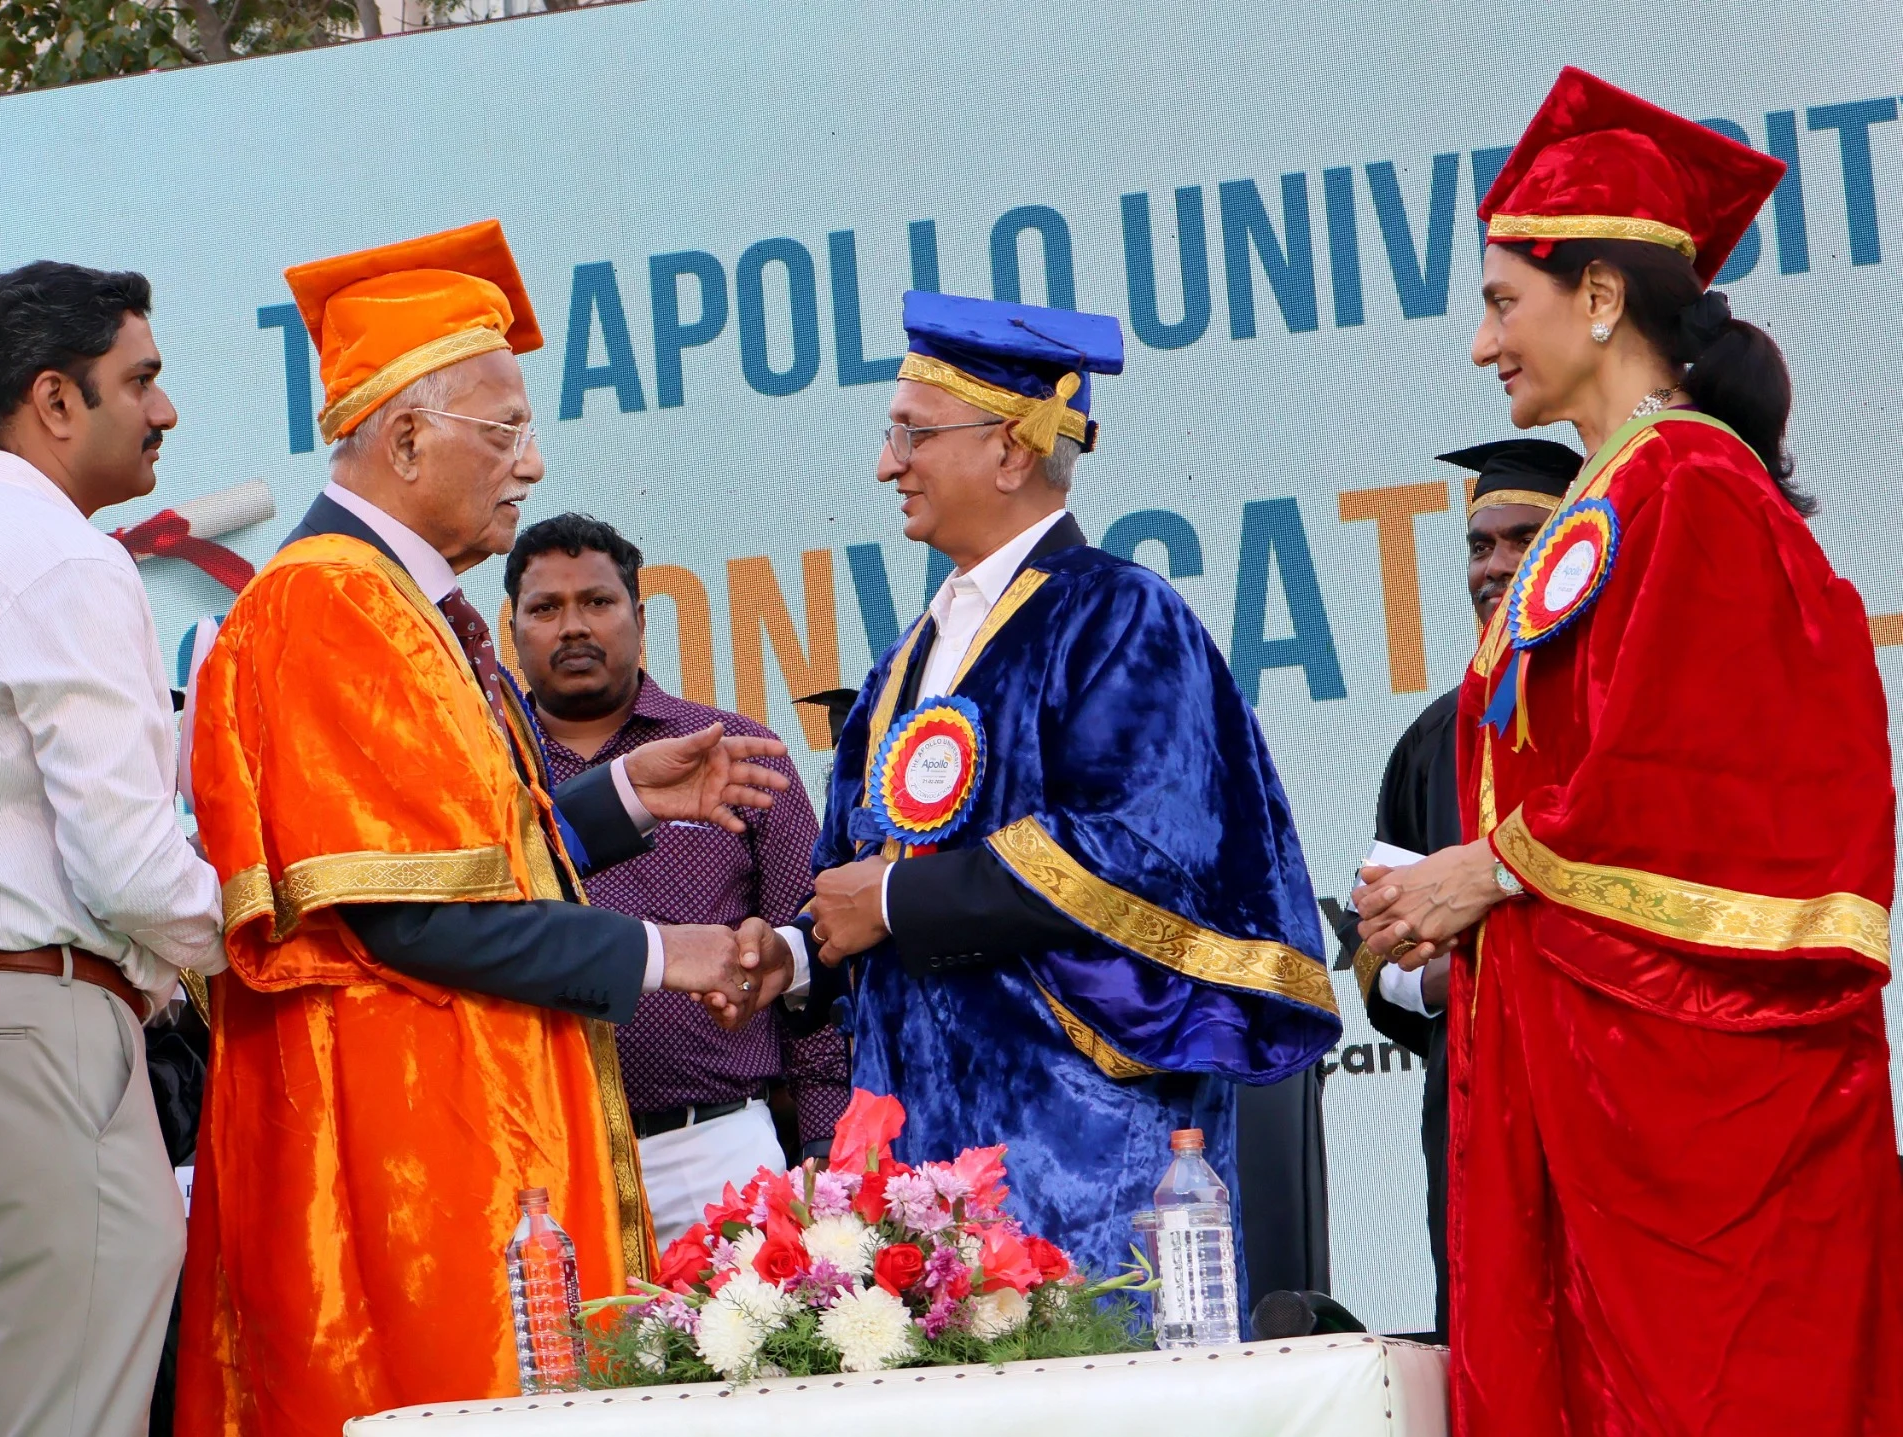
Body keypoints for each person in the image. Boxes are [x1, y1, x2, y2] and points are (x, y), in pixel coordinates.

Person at [178, 219, 796, 1435]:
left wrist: (623, 801)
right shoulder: (330, 607)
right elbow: (403, 914)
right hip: (403, 1152)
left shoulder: (396, 603)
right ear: (407, 436)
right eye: (504, 428)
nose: (531, 463)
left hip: (454, 1116)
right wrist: (672, 952)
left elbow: (458, 846)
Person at [1353, 67, 1903, 1432]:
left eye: (1501, 302)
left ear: (1600, 298)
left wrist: (1491, 869)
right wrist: (1444, 901)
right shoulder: (1626, 494)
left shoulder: (1697, 490)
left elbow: (1736, 803)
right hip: (1575, 1100)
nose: (1482, 346)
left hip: (1701, 1142)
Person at [780, 289, 1342, 1295]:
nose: (884, 464)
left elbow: (1148, 845)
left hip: (1074, 1141)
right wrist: (786, 949)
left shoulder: (1122, 615)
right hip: (921, 1161)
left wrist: (899, 904)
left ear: (1009, 449)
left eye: (912, 433)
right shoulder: (909, 656)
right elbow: (854, 866)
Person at [0, 262, 226, 1437]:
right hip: (43, 1025)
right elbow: (126, 864)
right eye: (143, 379)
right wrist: (268, 930)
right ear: (56, 401)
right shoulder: (64, 557)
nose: (165, 411)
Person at [503, 511, 851, 1241]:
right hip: (534, 1170)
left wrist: (825, 1143)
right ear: (512, 631)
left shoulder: (731, 752)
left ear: (639, 615)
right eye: (546, 607)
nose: (573, 627)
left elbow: (817, 953)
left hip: (716, 1153)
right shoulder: (485, 773)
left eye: (597, 602)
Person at [1337, 437, 1580, 1339]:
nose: (1496, 564)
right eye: (1480, 545)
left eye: (1526, 537)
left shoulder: (1616, 713)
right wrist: (1470, 967)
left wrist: (1487, 932)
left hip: (1607, 1096)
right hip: (1476, 1119)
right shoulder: (1431, 740)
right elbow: (1378, 959)